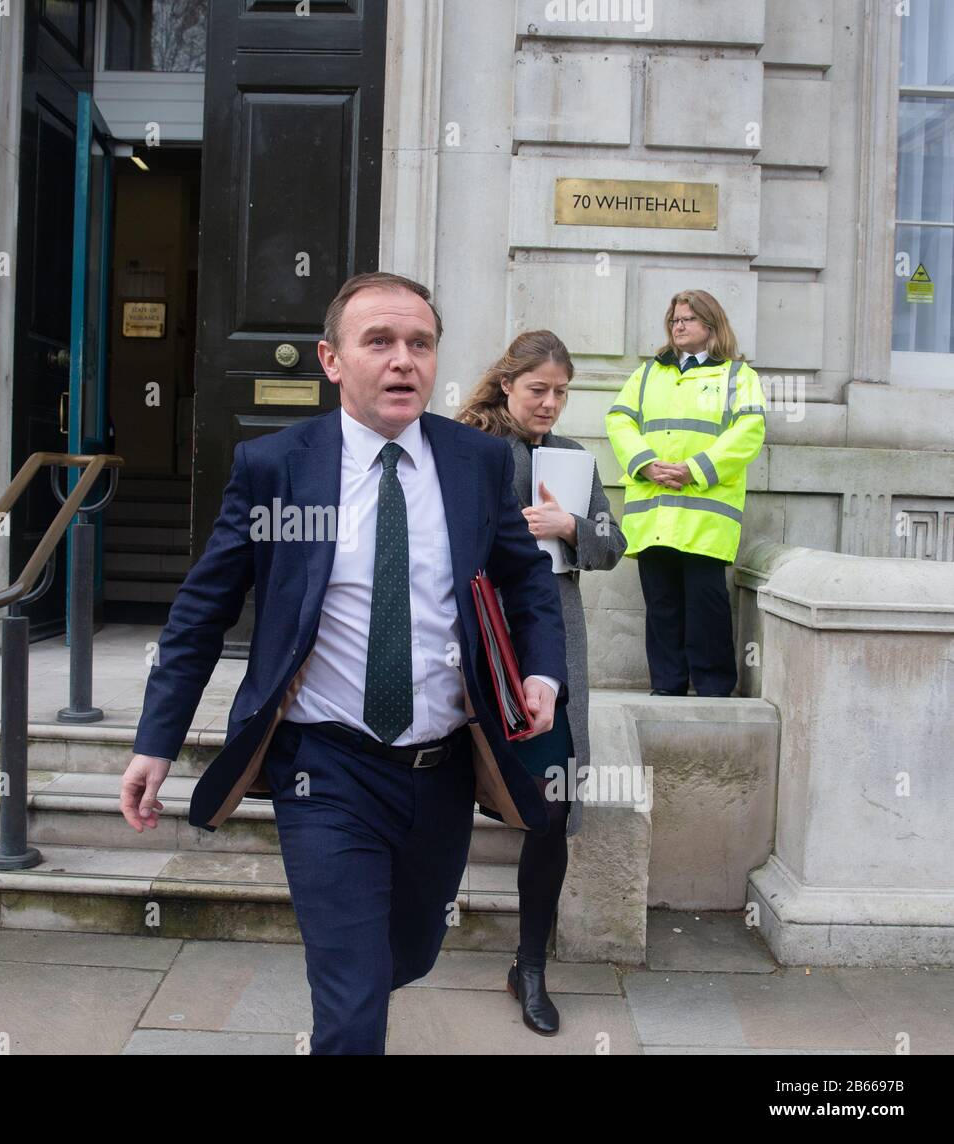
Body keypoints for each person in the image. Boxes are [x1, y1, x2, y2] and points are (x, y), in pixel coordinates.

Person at [119, 272, 568, 1055]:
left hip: (442, 766)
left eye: (420, 344)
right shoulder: (276, 467)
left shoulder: (476, 464)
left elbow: (527, 578)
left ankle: (366, 967)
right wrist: (156, 741)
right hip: (322, 767)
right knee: (353, 1005)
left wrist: (542, 672)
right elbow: (202, 609)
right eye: (380, 343)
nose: (404, 361)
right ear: (330, 360)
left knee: (411, 952)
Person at [457, 330, 626, 1036]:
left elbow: (615, 546)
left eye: (561, 392)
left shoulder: (575, 459)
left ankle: (529, 966)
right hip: (472, 638)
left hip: (551, 645)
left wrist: (574, 525)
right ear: (507, 385)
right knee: (432, 785)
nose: (551, 403)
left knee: (551, 807)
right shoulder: (466, 447)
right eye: (539, 390)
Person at [605, 289, 766, 697]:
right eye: (675, 319)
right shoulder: (646, 374)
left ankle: (714, 689)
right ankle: (667, 687)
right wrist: (645, 462)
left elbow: (748, 434)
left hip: (704, 517)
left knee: (706, 606)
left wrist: (694, 470)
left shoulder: (737, 376)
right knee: (661, 606)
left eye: (688, 319)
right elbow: (619, 420)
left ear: (711, 325)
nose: (678, 325)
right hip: (654, 511)